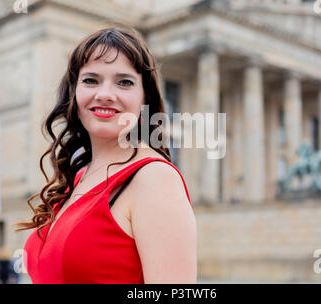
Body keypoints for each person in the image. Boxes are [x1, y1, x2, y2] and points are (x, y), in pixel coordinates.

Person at [15, 26, 196, 284]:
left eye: (124, 82)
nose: (105, 95)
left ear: (145, 98)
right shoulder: (77, 177)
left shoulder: (154, 179)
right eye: (91, 80)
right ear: (74, 92)